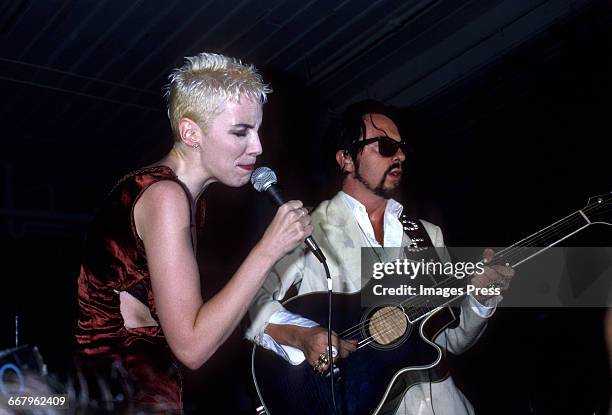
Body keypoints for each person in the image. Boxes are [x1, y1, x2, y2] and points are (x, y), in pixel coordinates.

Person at [75, 52, 313, 411]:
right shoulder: (166, 197)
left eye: (258, 130)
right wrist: (270, 248)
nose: (258, 146)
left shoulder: (178, 195)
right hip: (130, 397)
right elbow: (192, 347)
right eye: (240, 131)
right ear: (190, 133)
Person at [246, 100, 514, 414]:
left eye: (401, 147)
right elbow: (251, 301)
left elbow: (450, 340)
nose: (400, 155)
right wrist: (301, 335)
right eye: (386, 146)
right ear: (346, 158)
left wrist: (481, 299)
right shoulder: (308, 230)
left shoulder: (426, 235)